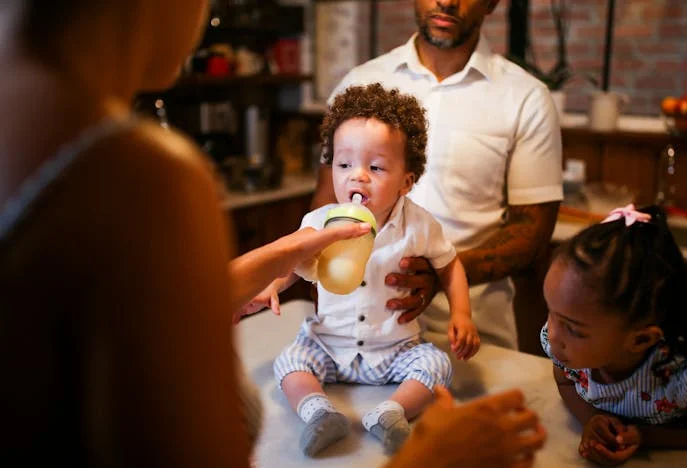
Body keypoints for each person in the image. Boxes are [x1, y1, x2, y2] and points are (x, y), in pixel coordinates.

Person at [0, 1, 543, 466]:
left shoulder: (32, 128)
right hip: (338, 348)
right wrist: (433, 459)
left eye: (377, 169)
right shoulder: (150, 176)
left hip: (407, 342)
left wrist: (244, 280)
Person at [240, 83, 480, 456]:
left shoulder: (419, 225)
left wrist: (461, 313)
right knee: (289, 363)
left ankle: (390, 413)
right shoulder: (319, 221)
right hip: (328, 344)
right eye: (344, 164)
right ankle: (319, 412)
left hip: (395, 348)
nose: (358, 176)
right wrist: (273, 285)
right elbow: (293, 262)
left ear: (406, 182)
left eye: (376, 166)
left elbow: (450, 266)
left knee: (436, 365)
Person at [311, 0, 563, 350]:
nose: (446, 1)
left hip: (472, 335)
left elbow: (532, 233)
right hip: (360, 329)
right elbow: (327, 201)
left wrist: (441, 274)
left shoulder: (526, 97)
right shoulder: (362, 83)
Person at [540, 205, 687, 466]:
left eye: (573, 328)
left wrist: (644, 436)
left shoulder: (685, 375)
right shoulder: (564, 347)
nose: (552, 334)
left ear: (640, 340)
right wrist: (590, 418)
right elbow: (565, 382)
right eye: (550, 312)